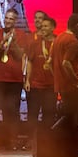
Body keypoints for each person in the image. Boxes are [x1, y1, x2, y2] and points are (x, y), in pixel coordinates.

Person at [0, 8, 30, 150]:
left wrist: (14, 43)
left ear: (15, 21)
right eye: (6, 18)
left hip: (14, 80)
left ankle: (11, 141)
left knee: (11, 111)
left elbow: (19, 56)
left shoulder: (21, 34)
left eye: (11, 19)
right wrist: (3, 42)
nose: (8, 21)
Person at [51, 13, 78, 156]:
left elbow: (51, 62)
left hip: (61, 84)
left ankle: (66, 147)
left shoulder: (58, 38)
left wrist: (57, 78)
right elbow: (66, 63)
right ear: (77, 26)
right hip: (70, 86)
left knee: (69, 114)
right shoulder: (72, 40)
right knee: (73, 115)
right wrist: (76, 81)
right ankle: (53, 135)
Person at [24, 16, 57, 147]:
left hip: (52, 85)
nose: (42, 28)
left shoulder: (58, 43)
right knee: (32, 114)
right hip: (36, 84)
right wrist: (27, 80)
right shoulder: (35, 44)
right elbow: (30, 62)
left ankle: (47, 141)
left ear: (53, 28)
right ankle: (32, 140)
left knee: (49, 114)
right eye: (42, 26)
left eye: (46, 26)